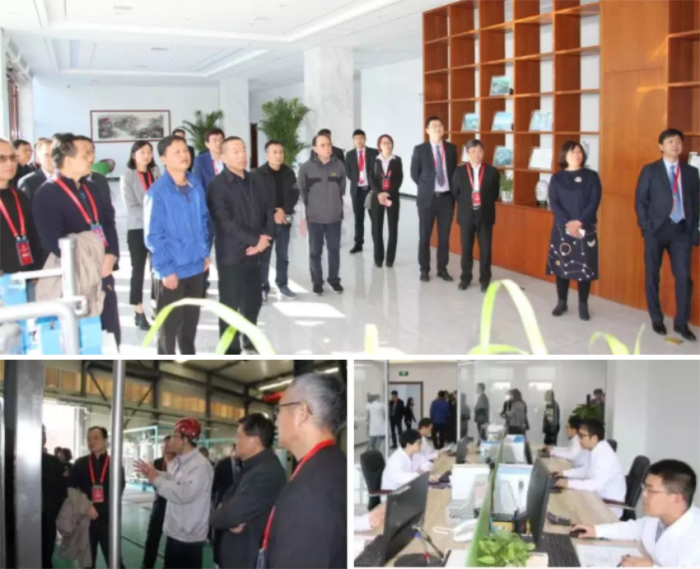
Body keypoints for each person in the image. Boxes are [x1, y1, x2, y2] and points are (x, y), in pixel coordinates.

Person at [33, 133, 121, 345]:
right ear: (68, 159)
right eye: (86, 154)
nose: (92, 158)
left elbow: (108, 223)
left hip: (103, 272)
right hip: (75, 278)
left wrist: (111, 255)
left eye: (92, 152)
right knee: (83, 339)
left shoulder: (91, 187)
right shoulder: (47, 193)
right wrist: (91, 256)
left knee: (109, 336)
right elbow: (53, 241)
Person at [266, 373, 347, 569]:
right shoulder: (334, 462)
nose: (276, 421)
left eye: (279, 410)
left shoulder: (307, 492)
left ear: (302, 413)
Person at [207, 136, 275, 355]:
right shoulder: (217, 185)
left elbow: (269, 210)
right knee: (230, 306)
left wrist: (264, 239)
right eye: (235, 151)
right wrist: (255, 240)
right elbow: (225, 221)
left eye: (244, 150)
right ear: (223, 157)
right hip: (232, 255)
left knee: (253, 302)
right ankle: (230, 348)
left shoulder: (257, 180)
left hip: (256, 253)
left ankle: (249, 339)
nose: (242, 155)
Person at [144, 135, 210, 355]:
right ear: (163, 159)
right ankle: (165, 364)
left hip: (196, 267)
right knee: (168, 328)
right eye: (177, 152)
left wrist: (204, 253)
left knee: (190, 325)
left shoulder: (195, 184)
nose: (184, 155)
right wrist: (166, 270)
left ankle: (189, 359)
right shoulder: (157, 192)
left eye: (185, 150)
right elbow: (153, 236)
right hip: (173, 271)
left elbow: (202, 220)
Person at [635, 128, 700, 340]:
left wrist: (695, 229)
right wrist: (646, 225)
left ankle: (681, 323)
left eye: (678, 141)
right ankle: (656, 318)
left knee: (683, 278)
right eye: (670, 141)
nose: (675, 145)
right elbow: (640, 201)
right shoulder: (650, 170)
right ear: (661, 146)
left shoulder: (691, 172)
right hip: (656, 230)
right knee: (652, 275)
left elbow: (696, 204)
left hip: (681, 231)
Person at [573, 460, 700, 568]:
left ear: (676, 498)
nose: (643, 495)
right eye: (644, 488)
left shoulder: (695, 539)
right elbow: (636, 528)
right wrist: (597, 531)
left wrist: (651, 567)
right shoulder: (658, 518)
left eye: (651, 490)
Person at [135, 418, 214, 569]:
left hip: (188, 537)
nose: (171, 440)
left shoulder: (199, 465)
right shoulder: (181, 461)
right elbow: (172, 478)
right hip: (176, 532)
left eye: (175, 436)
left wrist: (156, 479)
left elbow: (184, 493)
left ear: (185, 439)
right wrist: (154, 472)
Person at [210, 414, 287, 569]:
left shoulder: (266, 472)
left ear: (256, 440)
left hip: (246, 560)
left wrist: (221, 516)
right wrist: (227, 514)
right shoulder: (252, 467)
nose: (236, 442)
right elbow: (226, 499)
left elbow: (229, 515)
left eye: (239, 436)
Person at [547, 141, 602, 321]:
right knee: (561, 265)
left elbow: (594, 202)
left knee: (584, 267)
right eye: (573, 152)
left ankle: (583, 305)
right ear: (564, 156)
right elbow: (554, 202)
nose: (577, 155)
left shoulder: (591, 176)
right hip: (562, 228)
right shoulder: (557, 178)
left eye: (579, 152)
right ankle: (561, 302)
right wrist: (568, 223)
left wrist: (579, 222)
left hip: (585, 228)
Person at [69, 426, 125, 569]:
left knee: (115, 561)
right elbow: (71, 489)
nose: (91, 442)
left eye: (96, 438)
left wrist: (98, 510)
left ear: (105, 441)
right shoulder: (80, 463)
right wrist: (86, 507)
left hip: (108, 521)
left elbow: (117, 491)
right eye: (88, 439)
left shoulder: (115, 464)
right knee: (87, 562)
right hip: (85, 519)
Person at [411, 116, 458, 282]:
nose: (437, 128)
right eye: (434, 126)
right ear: (427, 130)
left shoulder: (451, 148)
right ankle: (424, 269)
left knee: (444, 236)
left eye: (440, 125)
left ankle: (442, 269)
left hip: (446, 199)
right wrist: (426, 187)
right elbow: (414, 174)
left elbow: (453, 172)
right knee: (425, 236)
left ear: (443, 129)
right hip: (427, 199)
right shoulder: (420, 149)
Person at [298, 133, 346, 296]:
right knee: (315, 252)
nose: (327, 148)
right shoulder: (306, 168)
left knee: (334, 250)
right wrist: (313, 206)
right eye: (323, 145)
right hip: (315, 218)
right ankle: (317, 282)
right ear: (315, 149)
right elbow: (303, 192)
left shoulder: (339, 166)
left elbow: (342, 189)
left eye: (329, 144)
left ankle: (334, 280)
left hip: (334, 217)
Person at [120, 140, 160, 331]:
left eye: (149, 152)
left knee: (157, 269)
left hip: (158, 229)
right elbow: (131, 207)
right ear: (134, 154)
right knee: (138, 270)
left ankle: (156, 306)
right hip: (137, 229)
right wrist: (154, 215)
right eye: (142, 152)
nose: (146, 155)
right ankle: (138, 310)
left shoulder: (156, 173)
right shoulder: (127, 176)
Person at [452, 139, 500, 292]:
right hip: (466, 214)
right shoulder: (459, 171)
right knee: (466, 248)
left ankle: (485, 280)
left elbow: (495, 193)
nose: (476, 154)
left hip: (485, 214)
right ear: (467, 154)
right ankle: (465, 278)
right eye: (473, 151)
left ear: (483, 153)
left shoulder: (492, 171)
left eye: (479, 151)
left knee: (485, 249)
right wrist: (468, 203)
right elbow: (455, 193)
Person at [255, 139, 300, 301]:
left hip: (284, 220)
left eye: (281, 152)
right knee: (264, 257)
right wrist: (273, 212)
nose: (278, 155)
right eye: (274, 152)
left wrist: (283, 210)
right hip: (265, 223)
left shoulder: (289, 172)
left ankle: (282, 284)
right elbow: (257, 199)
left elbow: (295, 193)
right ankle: (263, 287)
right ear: (267, 155)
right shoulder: (257, 174)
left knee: (283, 255)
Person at [554, 418, 626, 518]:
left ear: (594, 438)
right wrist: (564, 473)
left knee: (567, 509)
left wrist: (568, 483)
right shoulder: (597, 449)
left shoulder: (604, 456)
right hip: (596, 498)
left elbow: (594, 485)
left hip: (608, 508)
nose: (579, 440)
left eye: (582, 436)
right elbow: (587, 470)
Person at [0, 138, 43, 279]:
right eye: (2, 158)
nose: (10, 163)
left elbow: (33, 234)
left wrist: (37, 269)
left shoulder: (18, 195)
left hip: (25, 275)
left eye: (13, 158)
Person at [141, 436, 176, 569]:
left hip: (175, 506)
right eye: (163, 446)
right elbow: (153, 483)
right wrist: (147, 474)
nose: (165, 449)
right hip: (160, 505)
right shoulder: (157, 463)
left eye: (168, 446)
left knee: (172, 540)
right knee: (152, 537)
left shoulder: (179, 464)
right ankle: (147, 565)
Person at [370, 134, 403, 268]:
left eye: (389, 142)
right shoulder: (373, 159)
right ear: (379, 145)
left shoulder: (397, 160)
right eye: (384, 142)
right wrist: (379, 193)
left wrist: (388, 193)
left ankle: (390, 259)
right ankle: (378, 258)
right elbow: (371, 178)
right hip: (377, 197)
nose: (387, 145)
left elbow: (399, 179)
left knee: (392, 227)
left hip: (392, 196)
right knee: (376, 227)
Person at [345, 129, 379, 254]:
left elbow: (377, 170)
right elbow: (348, 172)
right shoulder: (349, 155)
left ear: (365, 139)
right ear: (353, 140)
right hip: (357, 191)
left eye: (361, 138)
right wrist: (357, 180)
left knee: (375, 219)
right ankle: (358, 244)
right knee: (358, 219)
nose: (359, 140)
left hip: (370, 191)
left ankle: (377, 244)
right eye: (356, 138)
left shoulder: (374, 152)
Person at [211, 443, 243, 568]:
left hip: (236, 505)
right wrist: (214, 504)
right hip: (221, 504)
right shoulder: (222, 464)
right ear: (233, 450)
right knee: (219, 533)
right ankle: (217, 561)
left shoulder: (244, 464)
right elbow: (213, 485)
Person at [42, 426, 68, 569]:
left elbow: (61, 490)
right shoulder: (53, 462)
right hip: (46, 516)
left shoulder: (53, 462)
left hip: (47, 516)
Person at [18, 137, 53, 203]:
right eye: (47, 155)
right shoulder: (28, 182)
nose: (52, 159)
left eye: (55, 154)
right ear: (38, 158)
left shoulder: (68, 179)